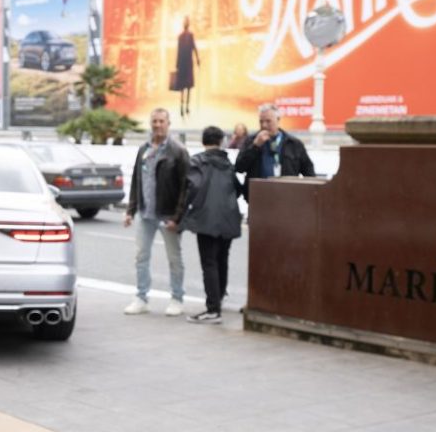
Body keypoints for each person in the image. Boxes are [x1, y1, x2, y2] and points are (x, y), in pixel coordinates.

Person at [123, 108, 189, 316]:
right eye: (154, 121)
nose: (157, 125)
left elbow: (186, 187)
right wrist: (130, 210)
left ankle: (177, 298)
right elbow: (137, 180)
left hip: (168, 215)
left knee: (174, 258)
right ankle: (141, 298)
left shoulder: (178, 150)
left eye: (161, 121)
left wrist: (177, 217)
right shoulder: (143, 149)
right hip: (146, 213)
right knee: (141, 257)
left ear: (168, 124)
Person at [181, 126, 243, 324]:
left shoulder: (197, 161)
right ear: (221, 141)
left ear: (203, 141)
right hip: (228, 217)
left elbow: (191, 188)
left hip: (206, 217)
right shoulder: (227, 163)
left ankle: (213, 309)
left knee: (209, 263)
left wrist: (182, 214)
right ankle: (219, 299)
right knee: (222, 260)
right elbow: (237, 188)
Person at [235, 102, 316, 199]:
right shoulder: (251, 140)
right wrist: (255, 146)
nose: (264, 125)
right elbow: (239, 167)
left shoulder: (293, 143)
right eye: (261, 121)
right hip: (258, 197)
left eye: (268, 121)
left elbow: (309, 172)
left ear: (278, 120)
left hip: (287, 198)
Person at [173, 16, 200, 118]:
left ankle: (186, 106)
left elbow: (193, 48)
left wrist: (197, 59)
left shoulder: (188, 36)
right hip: (184, 64)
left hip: (186, 64)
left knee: (187, 86)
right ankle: (183, 106)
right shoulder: (181, 36)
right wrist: (177, 65)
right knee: (184, 87)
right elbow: (179, 51)